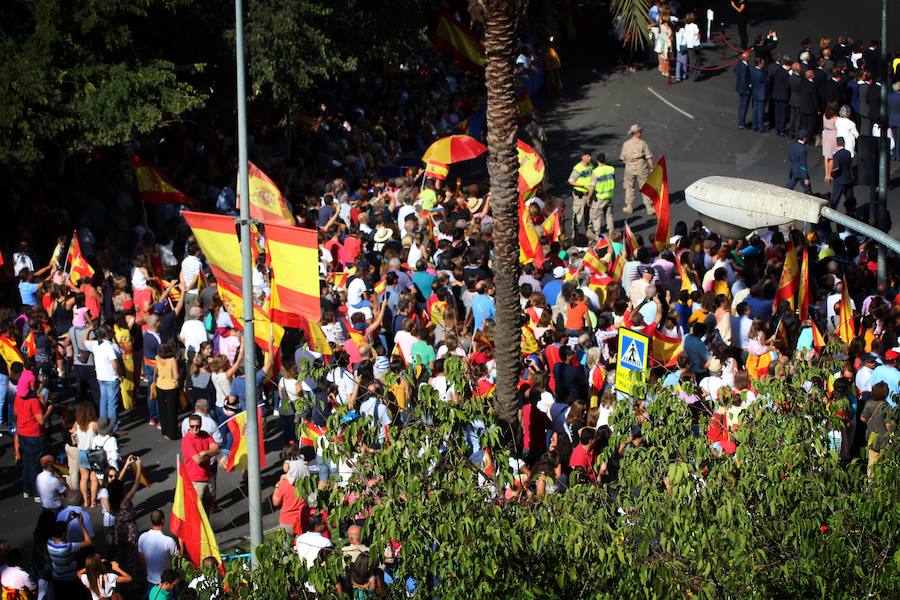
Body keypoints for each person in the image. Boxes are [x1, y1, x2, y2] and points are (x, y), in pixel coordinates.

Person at [14, 369, 52, 501]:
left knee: (27, 463)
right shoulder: (34, 401)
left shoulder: (18, 398)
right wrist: (49, 411)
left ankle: (27, 489)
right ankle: (37, 493)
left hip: (23, 434)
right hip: (35, 435)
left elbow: (16, 412)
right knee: (36, 464)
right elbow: (41, 420)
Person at [82, 323, 123, 433]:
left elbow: (84, 341)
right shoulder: (110, 346)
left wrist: (89, 329)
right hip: (111, 377)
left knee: (103, 401)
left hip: (100, 377)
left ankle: (103, 424)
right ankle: (112, 427)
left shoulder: (95, 344)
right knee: (112, 403)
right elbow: (115, 363)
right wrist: (120, 375)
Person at [181, 413, 220, 515]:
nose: (195, 428)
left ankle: (205, 529)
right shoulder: (187, 440)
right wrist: (210, 453)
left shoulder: (205, 434)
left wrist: (205, 452)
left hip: (208, 477)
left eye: (197, 426)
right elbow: (198, 460)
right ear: (189, 426)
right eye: (192, 426)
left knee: (208, 507)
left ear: (201, 424)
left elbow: (216, 449)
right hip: (196, 481)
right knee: (196, 511)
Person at [47, 512, 92, 598]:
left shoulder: (49, 543)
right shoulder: (67, 547)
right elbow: (89, 542)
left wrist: (68, 520)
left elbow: (58, 530)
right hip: (70, 579)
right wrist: (81, 524)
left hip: (57, 578)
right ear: (63, 533)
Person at [138, 510, 179, 593]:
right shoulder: (169, 541)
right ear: (163, 520)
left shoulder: (142, 537)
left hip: (150, 580)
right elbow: (176, 560)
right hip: (167, 583)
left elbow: (141, 559)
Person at [619, 124, 654, 216]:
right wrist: (652, 167)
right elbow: (648, 156)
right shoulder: (643, 143)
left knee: (629, 187)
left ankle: (629, 206)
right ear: (637, 133)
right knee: (644, 186)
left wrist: (629, 162)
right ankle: (649, 207)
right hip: (640, 167)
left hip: (629, 167)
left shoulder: (626, 144)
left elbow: (622, 157)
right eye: (640, 131)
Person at [70, 400, 98, 507]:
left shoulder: (77, 424)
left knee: (84, 478)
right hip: (93, 453)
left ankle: (86, 500)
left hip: (81, 453)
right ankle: (93, 502)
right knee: (93, 479)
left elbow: (72, 432)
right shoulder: (94, 425)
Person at [153, 340, 181, 440]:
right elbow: (176, 376)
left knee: (162, 410)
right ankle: (172, 433)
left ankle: (164, 431)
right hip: (171, 387)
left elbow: (156, 372)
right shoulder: (172, 360)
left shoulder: (157, 358)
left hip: (160, 386)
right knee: (172, 411)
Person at [588, 152, 615, 238]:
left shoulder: (595, 172)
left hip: (600, 197)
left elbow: (592, 186)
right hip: (609, 196)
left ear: (597, 161)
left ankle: (597, 235)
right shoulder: (611, 169)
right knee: (609, 215)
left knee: (597, 216)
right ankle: (611, 233)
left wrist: (589, 197)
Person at [567, 153, 593, 242]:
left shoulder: (591, 166)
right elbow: (571, 181)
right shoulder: (578, 168)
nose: (589, 158)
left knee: (589, 216)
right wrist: (583, 186)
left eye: (590, 156)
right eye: (587, 156)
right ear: (582, 157)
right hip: (580, 195)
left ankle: (588, 234)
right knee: (578, 215)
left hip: (589, 195)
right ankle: (575, 236)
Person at [830, 137, 855, 211]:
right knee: (849, 197)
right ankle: (851, 211)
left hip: (839, 180)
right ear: (844, 143)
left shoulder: (837, 155)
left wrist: (832, 174)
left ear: (836, 144)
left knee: (835, 198)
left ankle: (832, 212)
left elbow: (836, 167)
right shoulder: (848, 153)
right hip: (848, 179)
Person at [770, 58, 792, 136]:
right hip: (783, 96)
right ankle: (781, 129)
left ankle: (777, 128)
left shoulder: (777, 70)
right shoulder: (786, 74)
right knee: (782, 113)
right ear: (789, 66)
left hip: (776, 94)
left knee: (777, 112)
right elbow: (787, 86)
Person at [734, 52, 751, 129]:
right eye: (748, 57)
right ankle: (741, 123)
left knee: (741, 106)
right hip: (744, 89)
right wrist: (747, 88)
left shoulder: (740, 64)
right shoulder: (745, 67)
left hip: (739, 88)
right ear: (746, 58)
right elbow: (744, 79)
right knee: (744, 106)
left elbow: (735, 71)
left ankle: (741, 122)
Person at [750, 57, 767, 131]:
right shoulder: (760, 73)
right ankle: (760, 127)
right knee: (760, 111)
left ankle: (754, 125)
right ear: (760, 64)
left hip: (755, 92)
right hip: (760, 94)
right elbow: (765, 81)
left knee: (755, 110)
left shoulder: (753, 71)